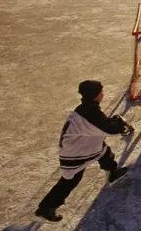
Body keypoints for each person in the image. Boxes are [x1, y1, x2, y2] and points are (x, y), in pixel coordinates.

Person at [35, 81, 133, 222]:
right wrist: (121, 126)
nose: (103, 94)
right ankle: (45, 208)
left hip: (82, 144)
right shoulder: (90, 113)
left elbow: (100, 125)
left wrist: (114, 123)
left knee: (104, 151)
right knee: (71, 180)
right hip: (74, 152)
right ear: (95, 96)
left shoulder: (86, 108)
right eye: (100, 92)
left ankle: (112, 172)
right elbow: (108, 129)